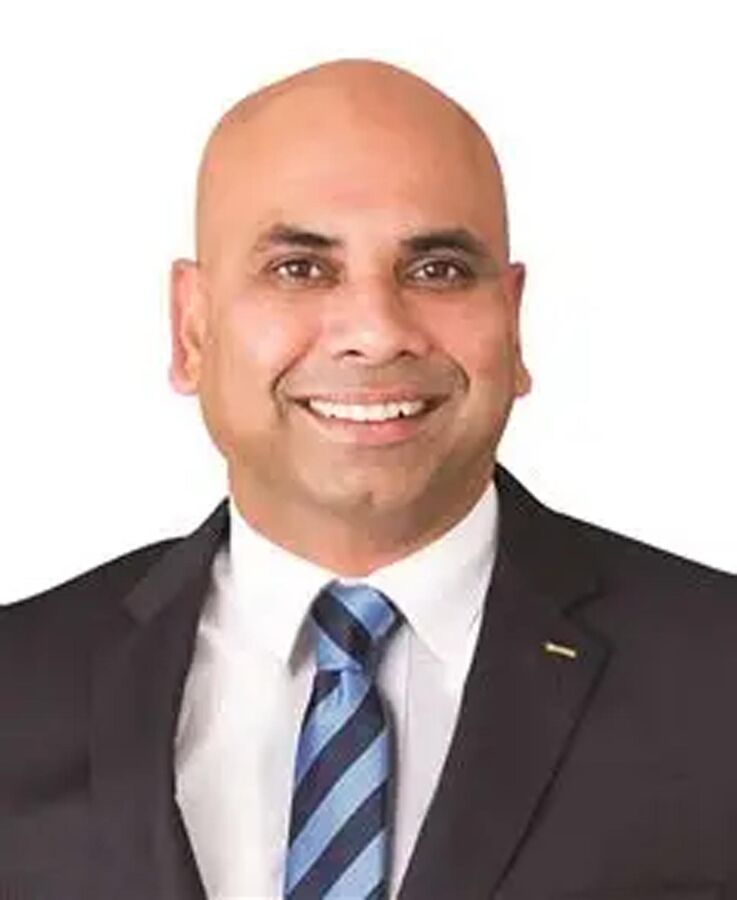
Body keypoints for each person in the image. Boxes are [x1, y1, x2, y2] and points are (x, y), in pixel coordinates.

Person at [1, 58, 735, 900]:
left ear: (512, 321)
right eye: (299, 268)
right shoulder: (18, 684)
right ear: (191, 330)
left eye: (437, 270)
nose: (377, 332)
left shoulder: (717, 678)